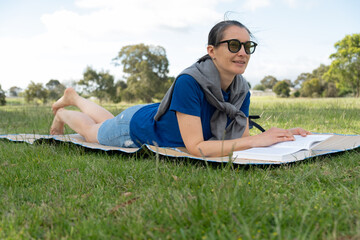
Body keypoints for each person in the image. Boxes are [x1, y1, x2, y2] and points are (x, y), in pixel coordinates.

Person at [50, 20, 310, 157]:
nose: (242, 52)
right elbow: (197, 147)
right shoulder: (190, 82)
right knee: (92, 131)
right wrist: (257, 139)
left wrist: (279, 135)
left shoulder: (242, 89)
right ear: (211, 51)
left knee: (107, 120)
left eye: (247, 46)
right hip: (137, 127)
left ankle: (73, 96)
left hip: (152, 114)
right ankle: (64, 111)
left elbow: (239, 140)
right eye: (233, 45)